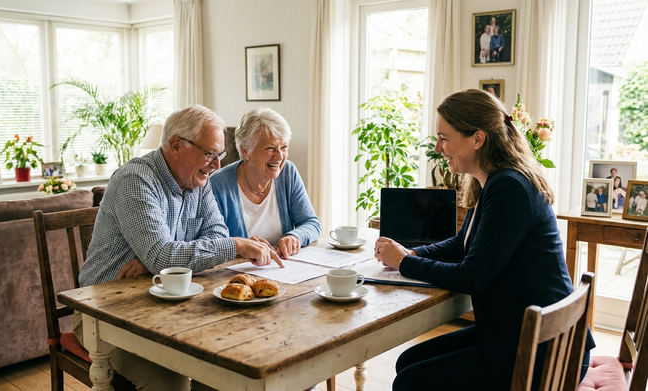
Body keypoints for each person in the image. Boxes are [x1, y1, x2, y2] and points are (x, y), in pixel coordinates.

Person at [373, 89, 594, 391]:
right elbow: (460, 244)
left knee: (411, 381)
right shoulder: (496, 180)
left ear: (477, 139)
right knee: (408, 362)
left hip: (545, 352)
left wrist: (406, 263)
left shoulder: (509, 188)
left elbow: (472, 277)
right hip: (519, 331)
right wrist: (411, 252)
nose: (438, 147)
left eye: (444, 137)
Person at [76, 105, 284, 391]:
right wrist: (232, 246)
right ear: (176, 145)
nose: (216, 165)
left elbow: (213, 235)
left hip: (166, 304)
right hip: (104, 312)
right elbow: (164, 254)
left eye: (220, 155)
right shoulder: (136, 180)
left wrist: (160, 257)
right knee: (172, 385)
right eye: (210, 153)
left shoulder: (199, 180)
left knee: (223, 366)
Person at [210, 107, 321, 260]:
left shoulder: (288, 173)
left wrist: (294, 236)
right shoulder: (217, 185)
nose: (280, 156)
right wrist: (242, 247)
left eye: (284, 147)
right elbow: (212, 243)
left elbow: (311, 223)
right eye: (270, 148)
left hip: (284, 270)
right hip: (237, 274)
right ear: (245, 151)